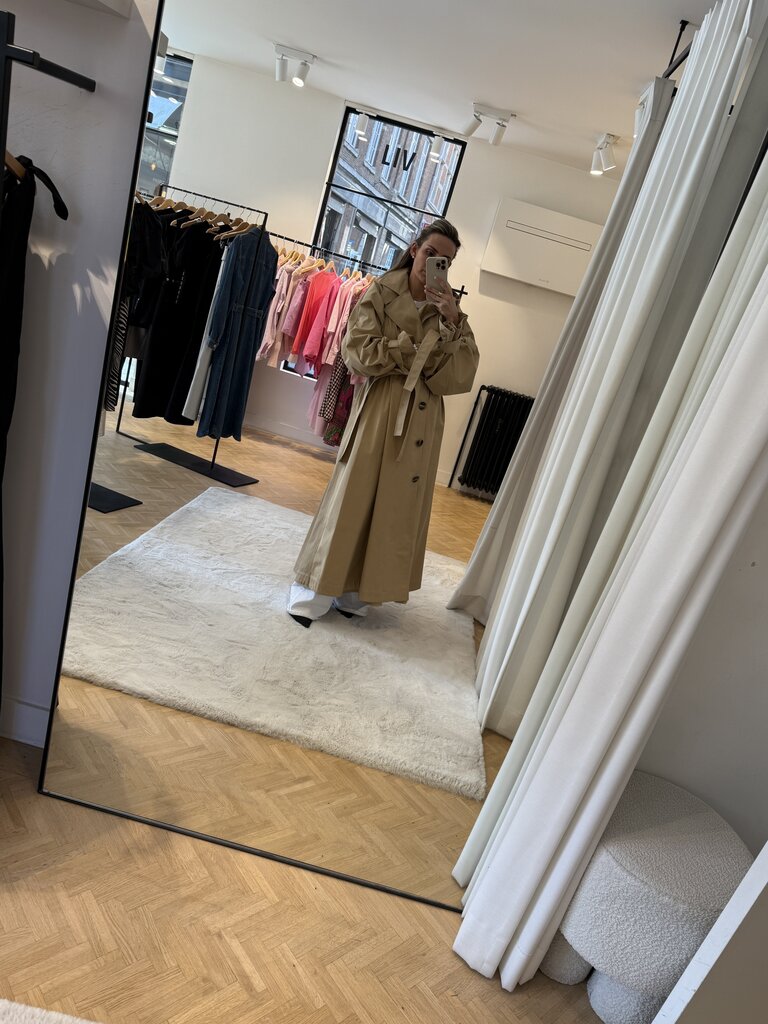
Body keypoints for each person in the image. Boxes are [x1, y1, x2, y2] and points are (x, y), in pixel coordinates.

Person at [287, 218, 479, 626]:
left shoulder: (450, 311)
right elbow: (357, 352)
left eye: (445, 261)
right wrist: (415, 350)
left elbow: (458, 376)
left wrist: (452, 320)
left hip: (423, 419)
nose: (435, 264)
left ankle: (359, 591)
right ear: (414, 250)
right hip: (382, 408)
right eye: (430, 253)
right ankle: (315, 587)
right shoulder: (380, 292)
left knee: (394, 508)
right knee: (353, 496)